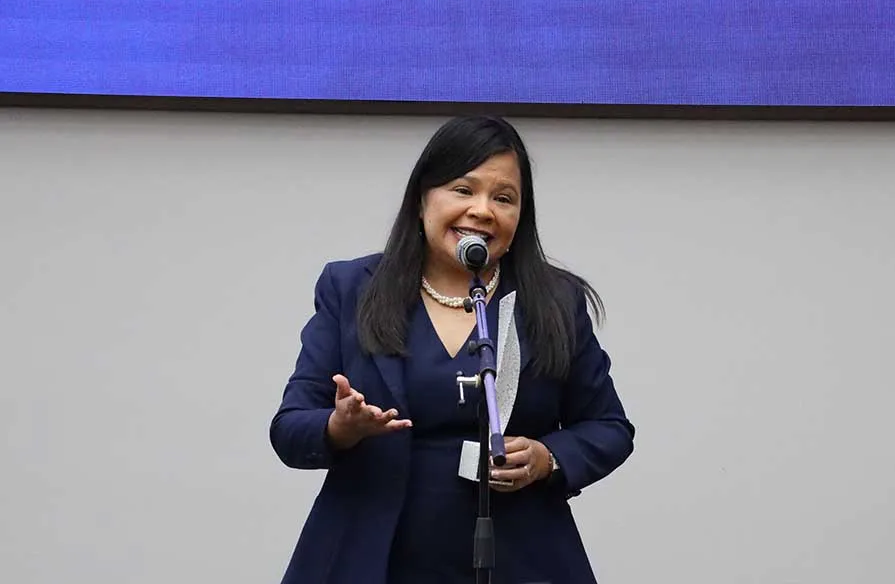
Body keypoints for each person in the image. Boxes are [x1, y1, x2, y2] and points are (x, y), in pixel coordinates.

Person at [269, 115, 635, 584]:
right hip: (374, 555)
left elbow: (609, 426)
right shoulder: (352, 289)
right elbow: (289, 428)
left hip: (522, 557)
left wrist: (548, 457)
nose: (482, 210)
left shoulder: (555, 300)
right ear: (423, 198)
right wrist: (339, 428)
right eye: (463, 190)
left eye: (503, 198)